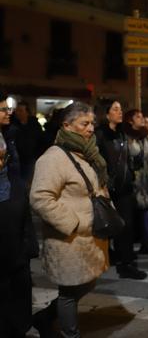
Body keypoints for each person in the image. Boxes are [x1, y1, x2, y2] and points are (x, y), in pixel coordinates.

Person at [30, 102, 110, 338]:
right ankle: (69, 334)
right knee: (69, 291)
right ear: (67, 125)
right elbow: (40, 197)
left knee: (87, 283)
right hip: (69, 238)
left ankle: (44, 318)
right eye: (85, 124)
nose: (91, 129)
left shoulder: (87, 151)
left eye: (92, 123)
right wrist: (73, 223)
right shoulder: (53, 158)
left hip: (89, 237)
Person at [95, 100, 147, 280]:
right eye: (115, 109)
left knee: (126, 226)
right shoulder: (100, 134)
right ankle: (114, 259)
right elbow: (98, 162)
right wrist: (103, 184)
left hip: (124, 187)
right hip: (108, 188)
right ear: (106, 113)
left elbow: (125, 161)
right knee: (107, 225)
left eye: (121, 108)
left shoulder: (122, 134)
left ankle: (126, 263)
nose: (120, 112)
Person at [0, 93, 34, 338]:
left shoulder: (10, 134)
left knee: (19, 273)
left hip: (14, 207)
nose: (8, 112)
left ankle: (18, 325)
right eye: (2, 109)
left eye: (7, 108)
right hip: (4, 210)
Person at [123, 109, 148, 256]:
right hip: (133, 181)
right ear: (130, 121)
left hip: (146, 180)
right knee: (132, 214)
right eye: (138, 117)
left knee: (146, 212)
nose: (142, 119)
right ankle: (130, 248)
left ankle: (146, 243)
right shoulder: (127, 137)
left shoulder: (145, 136)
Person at [12, 101, 44, 187]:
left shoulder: (34, 125)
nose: (18, 113)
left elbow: (40, 141)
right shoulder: (13, 125)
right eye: (17, 110)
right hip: (17, 160)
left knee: (28, 182)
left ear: (27, 112)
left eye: (21, 110)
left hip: (31, 159)